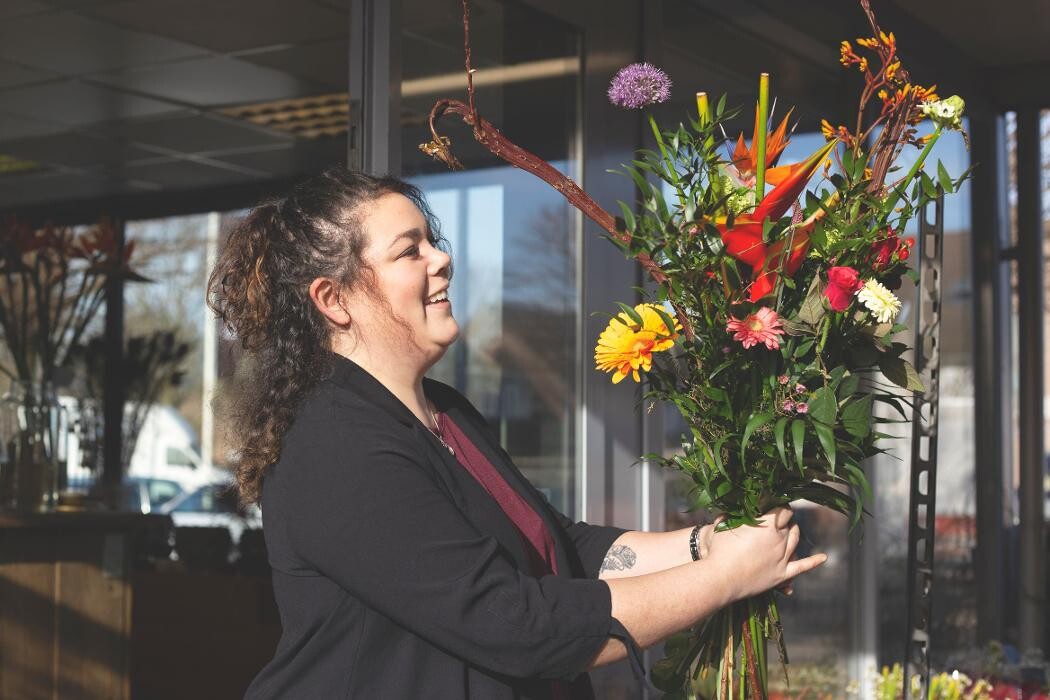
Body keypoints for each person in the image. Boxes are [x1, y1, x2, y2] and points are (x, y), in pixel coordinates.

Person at [207, 167, 826, 699]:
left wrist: (707, 544)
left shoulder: (443, 411)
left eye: (432, 241)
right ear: (334, 299)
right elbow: (510, 622)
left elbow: (552, 545)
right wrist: (721, 580)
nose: (441, 258)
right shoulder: (332, 442)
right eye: (408, 251)